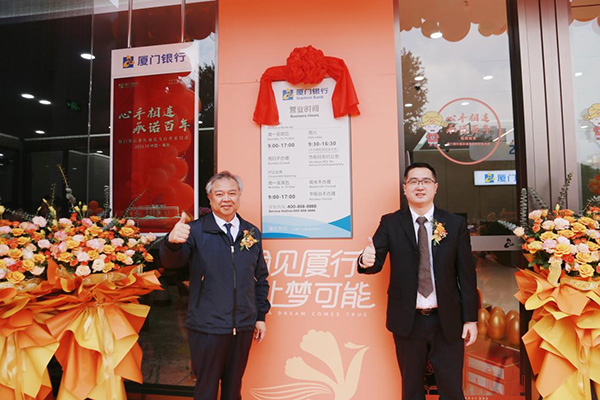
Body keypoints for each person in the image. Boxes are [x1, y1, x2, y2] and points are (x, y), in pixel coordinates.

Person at [358, 162, 478, 400]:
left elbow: (466, 274)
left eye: (425, 181)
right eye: (413, 181)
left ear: (435, 187)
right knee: (411, 390)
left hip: (447, 320)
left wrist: (470, 319)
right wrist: (366, 259)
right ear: (405, 188)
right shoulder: (391, 223)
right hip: (408, 321)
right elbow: (374, 262)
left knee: (452, 390)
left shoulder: (454, 224)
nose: (419, 186)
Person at [160, 171, 270, 400]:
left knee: (233, 389)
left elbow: (260, 278)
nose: (226, 199)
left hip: (243, 326)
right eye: (219, 194)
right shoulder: (195, 231)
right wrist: (171, 244)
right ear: (210, 199)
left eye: (232, 193)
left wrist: (260, 316)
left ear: (239, 196)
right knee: (206, 390)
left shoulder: (251, 232)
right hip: (207, 326)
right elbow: (173, 263)